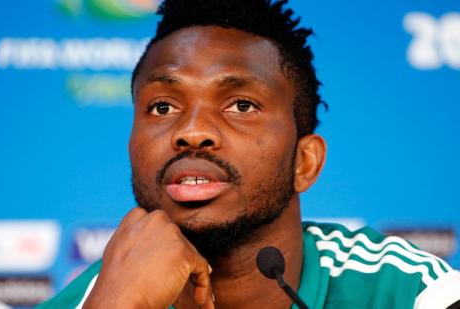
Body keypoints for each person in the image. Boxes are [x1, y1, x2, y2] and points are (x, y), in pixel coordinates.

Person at [38, 0, 460, 308]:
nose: (192, 132)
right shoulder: (96, 298)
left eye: (241, 106)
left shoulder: (407, 291)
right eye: (163, 107)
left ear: (304, 162)